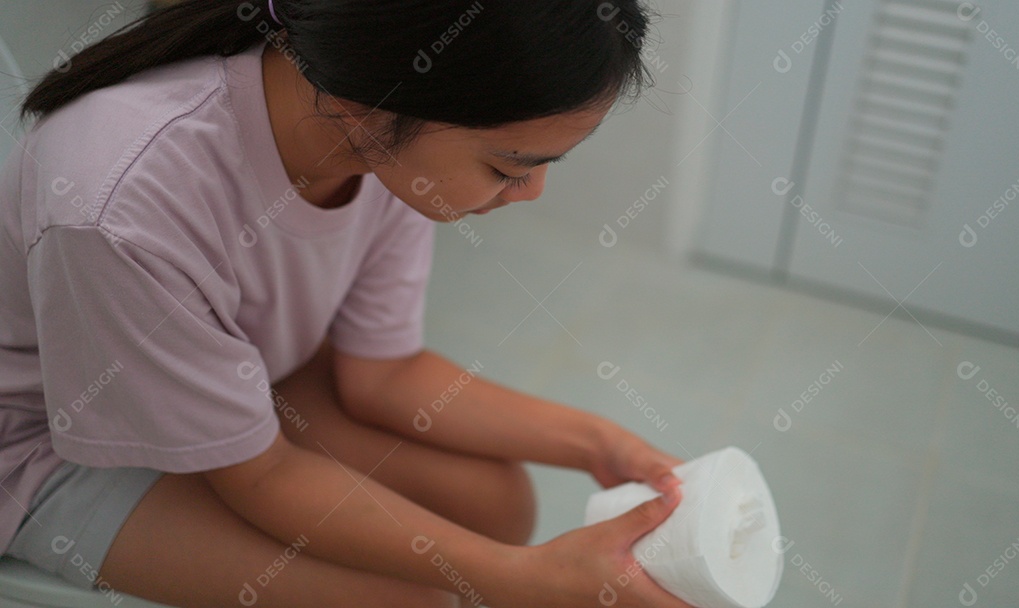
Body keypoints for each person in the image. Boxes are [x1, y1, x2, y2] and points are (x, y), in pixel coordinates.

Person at [0, 1, 691, 606]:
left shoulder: (374, 131)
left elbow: (382, 374)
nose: (531, 192)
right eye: (508, 166)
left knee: (498, 504)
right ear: (370, 109)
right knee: (410, 599)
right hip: (44, 447)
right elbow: (262, 476)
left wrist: (603, 444)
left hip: (241, 377)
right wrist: (518, 578)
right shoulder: (121, 201)